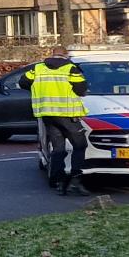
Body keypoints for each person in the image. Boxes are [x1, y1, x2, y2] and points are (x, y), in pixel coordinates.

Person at [24, 44, 90, 196]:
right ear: (65, 55)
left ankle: (60, 182)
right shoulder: (70, 68)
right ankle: (75, 180)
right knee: (80, 145)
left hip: (48, 115)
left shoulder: (38, 68)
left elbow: (23, 82)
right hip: (67, 114)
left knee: (58, 148)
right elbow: (81, 89)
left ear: (52, 54)